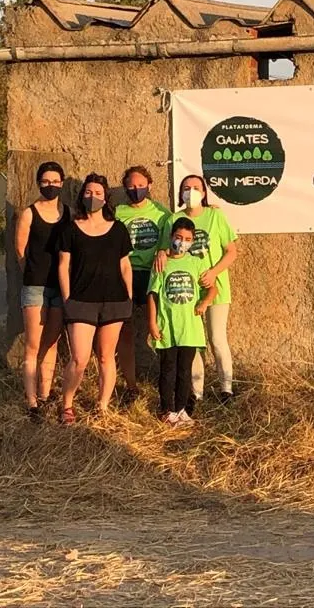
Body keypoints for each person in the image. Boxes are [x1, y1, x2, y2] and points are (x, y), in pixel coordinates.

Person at [57, 173, 134, 425]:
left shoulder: (118, 229)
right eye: (89, 192)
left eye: (98, 193)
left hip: (114, 301)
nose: (93, 197)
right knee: (80, 358)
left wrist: (128, 296)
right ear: (82, 196)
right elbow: (63, 265)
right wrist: (68, 298)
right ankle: (67, 405)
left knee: (105, 356)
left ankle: (102, 406)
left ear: (105, 197)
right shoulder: (70, 229)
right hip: (81, 301)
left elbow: (125, 265)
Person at [157, 175, 239, 406]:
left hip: (214, 287)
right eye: (186, 188)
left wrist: (213, 272)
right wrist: (161, 252)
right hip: (186, 291)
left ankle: (226, 388)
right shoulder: (174, 219)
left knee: (216, 338)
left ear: (204, 192)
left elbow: (231, 251)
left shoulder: (215, 216)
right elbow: (165, 249)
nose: (190, 191)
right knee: (191, 342)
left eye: (195, 187)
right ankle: (196, 391)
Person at [148, 217, 217, 426]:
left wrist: (205, 302)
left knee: (184, 370)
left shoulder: (196, 263)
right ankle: (166, 410)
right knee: (168, 369)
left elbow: (212, 289)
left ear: (193, 241)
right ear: (171, 237)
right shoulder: (161, 263)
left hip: (190, 328)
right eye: (178, 237)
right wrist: (152, 322)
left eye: (187, 239)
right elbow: (152, 295)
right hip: (168, 327)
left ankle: (181, 409)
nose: (182, 242)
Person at [14, 162, 70, 421]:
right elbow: (20, 250)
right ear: (39, 183)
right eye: (46, 181)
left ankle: (45, 395)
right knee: (33, 345)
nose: (51, 186)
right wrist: (32, 272)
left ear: (62, 183)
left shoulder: (68, 213)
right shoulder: (29, 213)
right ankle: (32, 402)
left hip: (59, 287)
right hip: (35, 286)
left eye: (55, 181)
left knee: (51, 343)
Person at [113, 165, 172, 404]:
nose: (136, 190)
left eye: (140, 185)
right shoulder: (118, 212)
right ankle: (131, 385)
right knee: (125, 330)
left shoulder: (162, 213)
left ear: (149, 185)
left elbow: (171, 240)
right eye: (131, 186)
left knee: (159, 328)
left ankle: (167, 381)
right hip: (126, 275)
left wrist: (162, 250)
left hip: (153, 275)